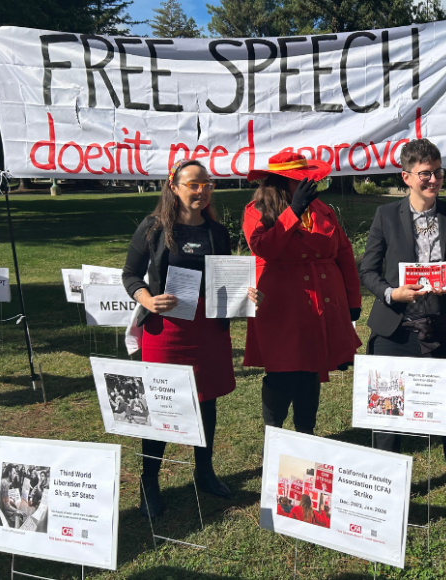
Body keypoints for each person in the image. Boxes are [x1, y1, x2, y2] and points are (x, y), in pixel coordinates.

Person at [123, 159, 263, 518]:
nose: (201, 191)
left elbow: (224, 280)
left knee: (206, 401)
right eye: (193, 185)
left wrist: (243, 295)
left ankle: (204, 471)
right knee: (161, 406)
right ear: (174, 187)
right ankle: (149, 481)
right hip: (165, 331)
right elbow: (130, 275)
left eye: (207, 185)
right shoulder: (154, 228)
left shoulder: (216, 231)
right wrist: (147, 300)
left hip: (207, 331)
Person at [359, 138, 446, 526]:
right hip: (395, 331)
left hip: (440, 326)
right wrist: (391, 292)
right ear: (407, 177)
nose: (433, 180)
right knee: (388, 416)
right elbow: (368, 270)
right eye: (425, 174)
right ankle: (387, 495)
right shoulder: (385, 215)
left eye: (438, 172)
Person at [243, 152, 361, 436]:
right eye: (299, 179)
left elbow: (343, 253)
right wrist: (292, 212)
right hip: (281, 304)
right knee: (283, 371)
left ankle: (305, 433)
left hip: (321, 301)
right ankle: (275, 431)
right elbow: (263, 248)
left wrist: (352, 300)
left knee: (311, 371)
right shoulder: (256, 210)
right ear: (281, 182)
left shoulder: (321, 208)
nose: (307, 182)